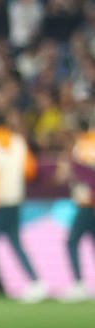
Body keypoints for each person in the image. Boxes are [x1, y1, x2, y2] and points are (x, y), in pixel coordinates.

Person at [0, 108, 44, 301]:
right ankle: (35, 282)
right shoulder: (18, 141)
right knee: (15, 242)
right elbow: (30, 170)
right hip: (15, 199)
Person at [60, 121, 95, 302]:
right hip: (89, 202)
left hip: (87, 203)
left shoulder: (82, 146)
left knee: (72, 241)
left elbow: (85, 174)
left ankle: (79, 283)